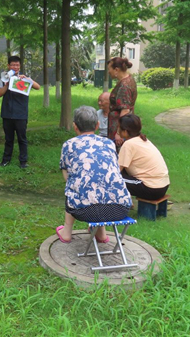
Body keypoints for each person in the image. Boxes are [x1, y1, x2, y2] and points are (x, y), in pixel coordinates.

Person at [56, 106, 132, 244]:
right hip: (120, 209)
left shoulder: (69, 145)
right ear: (97, 125)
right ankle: (101, 234)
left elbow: (67, 177)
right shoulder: (109, 143)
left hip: (85, 211)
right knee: (102, 183)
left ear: (75, 126)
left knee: (73, 186)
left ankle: (66, 231)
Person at [0, 55, 40, 168]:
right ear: (8, 66)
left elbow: (38, 87)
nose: (15, 67)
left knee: (22, 139)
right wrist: (7, 83)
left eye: (17, 65)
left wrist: (27, 79)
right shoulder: (4, 78)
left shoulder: (24, 78)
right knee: (8, 139)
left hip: (21, 114)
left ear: (20, 66)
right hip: (7, 114)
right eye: (12, 65)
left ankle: (23, 162)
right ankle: (6, 160)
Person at [118, 114, 170, 201]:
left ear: (126, 131)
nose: (117, 130)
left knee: (111, 179)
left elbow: (116, 170)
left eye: (119, 128)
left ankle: (118, 205)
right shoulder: (143, 139)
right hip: (163, 186)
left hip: (151, 188)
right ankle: (126, 202)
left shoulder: (129, 144)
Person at [107, 57, 137, 147]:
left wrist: (119, 133)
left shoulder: (124, 86)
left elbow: (125, 110)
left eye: (109, 69)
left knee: (119, 155)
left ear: (116, 69)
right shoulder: (129, 79)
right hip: (126, 126)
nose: (108, 72)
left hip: (120, 128)